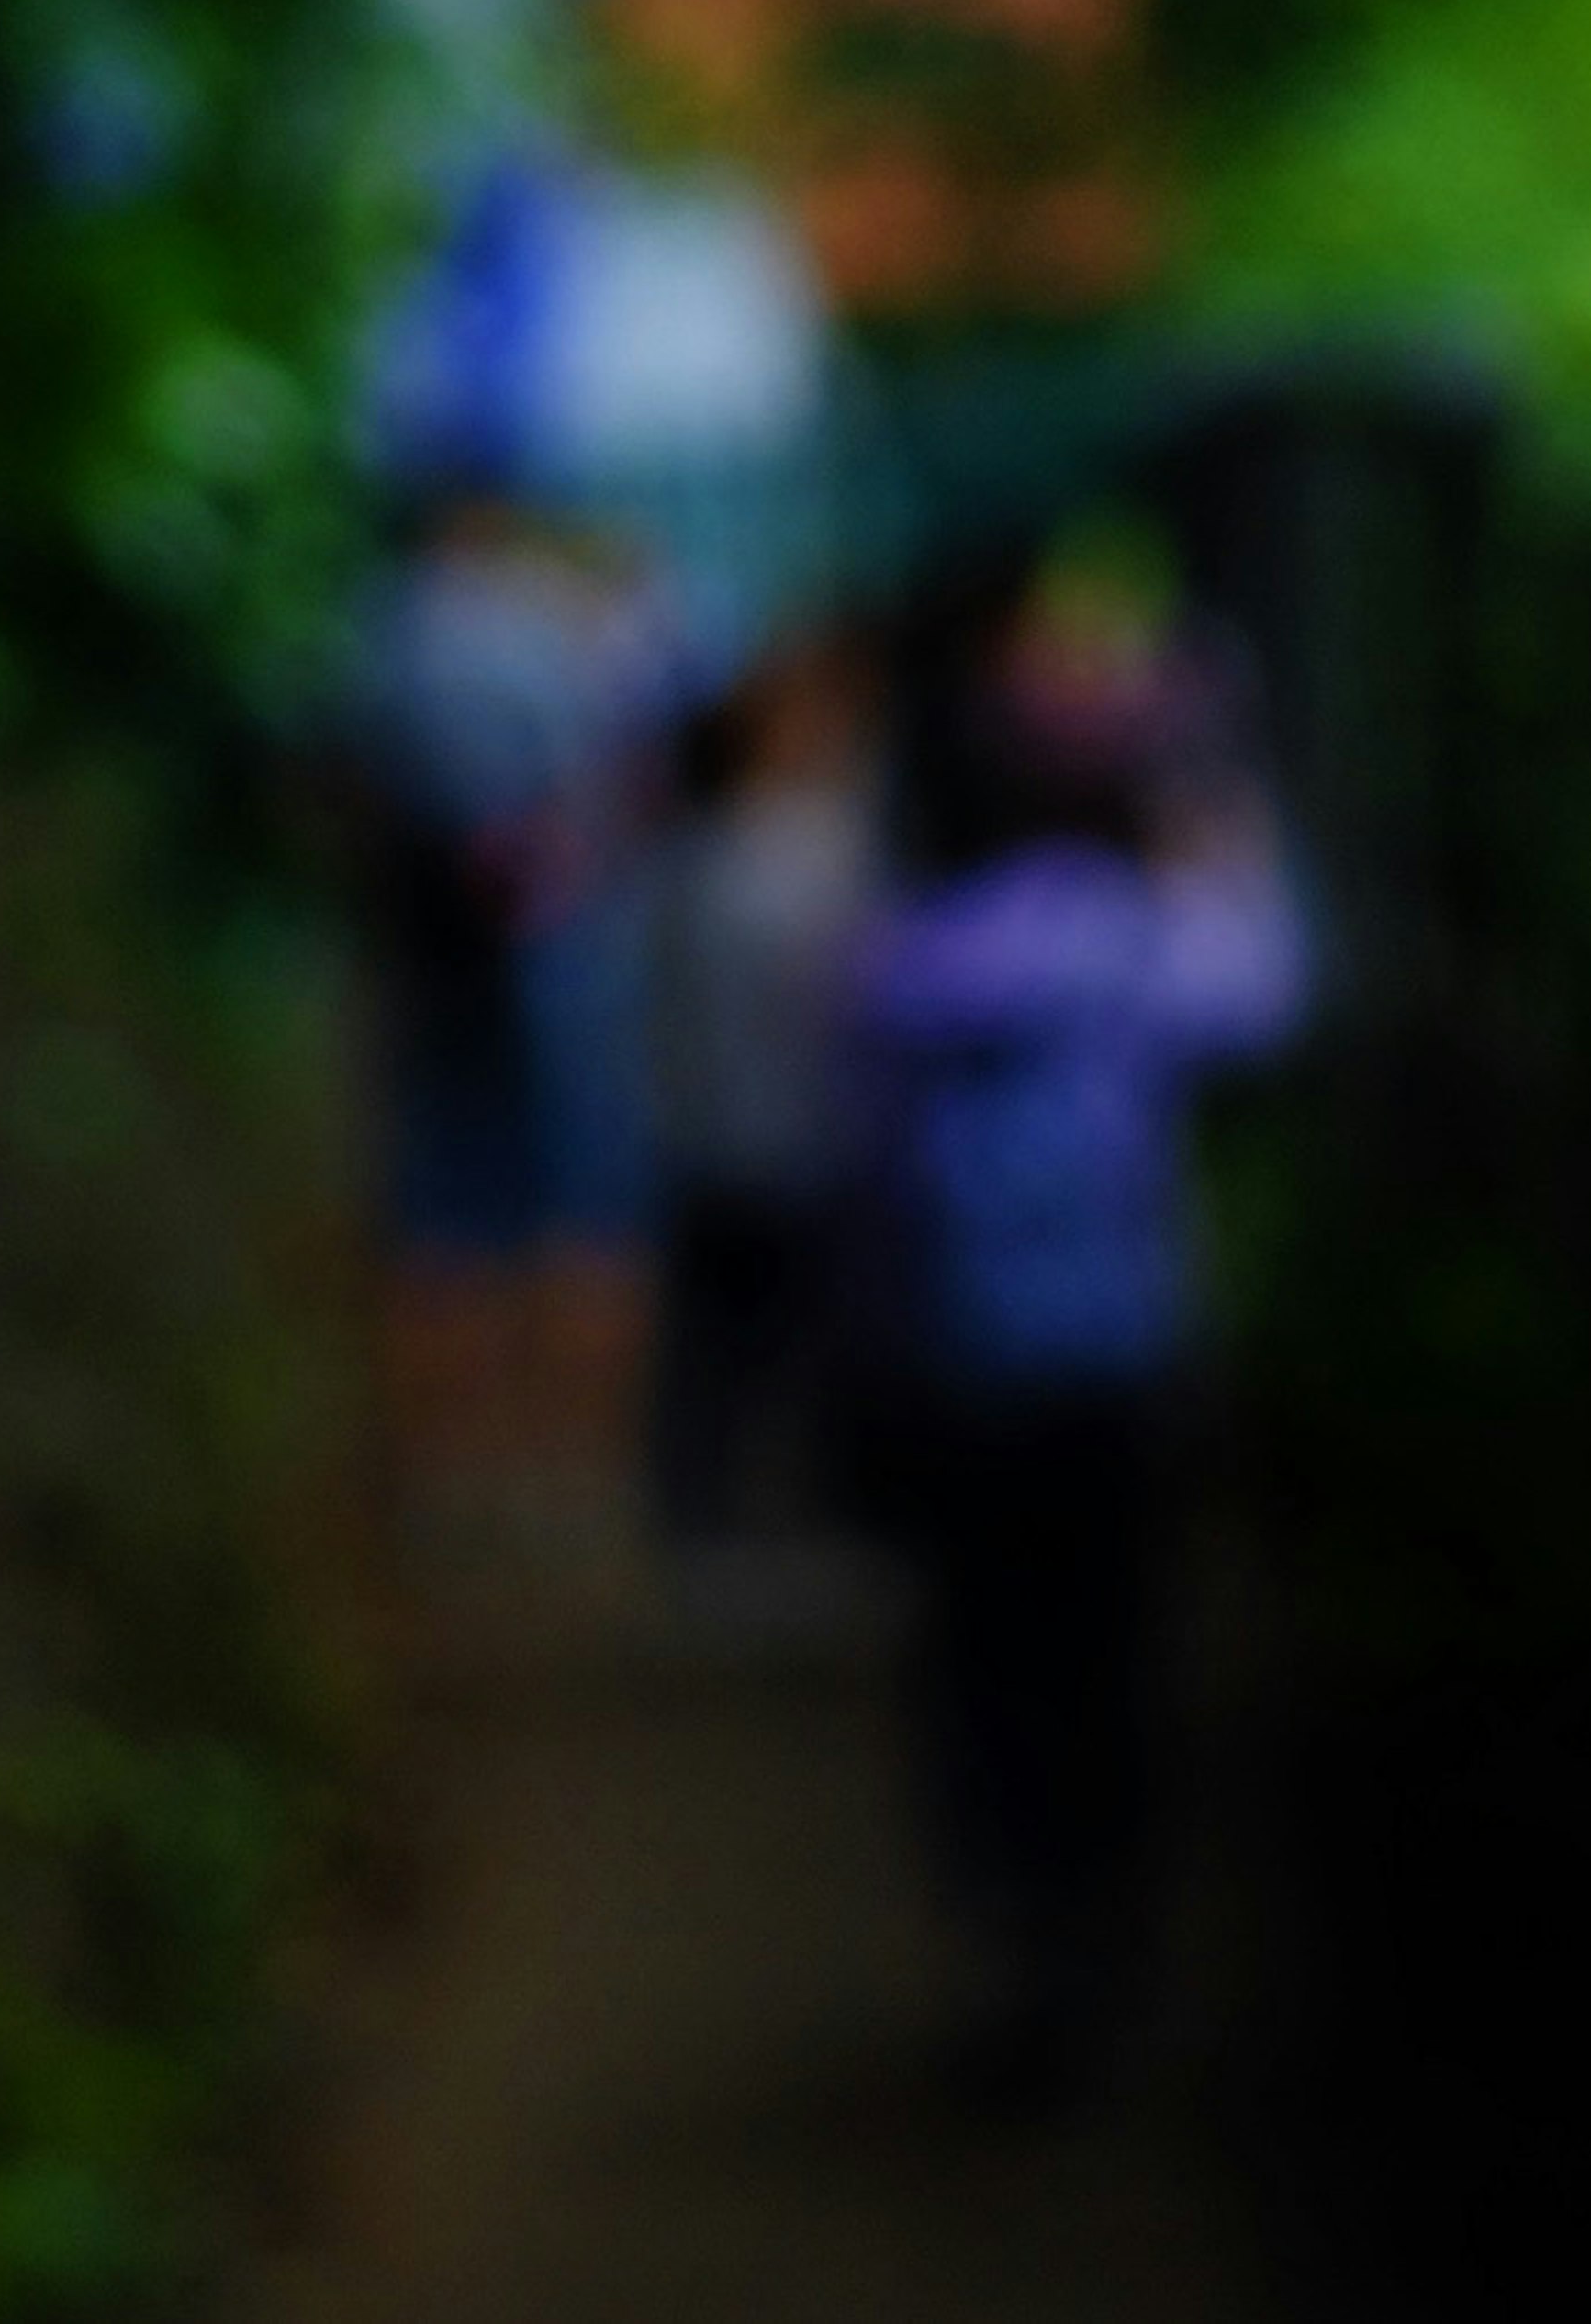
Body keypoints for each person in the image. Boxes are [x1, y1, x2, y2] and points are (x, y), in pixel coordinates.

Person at [845, 542, 1311, 2090]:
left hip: (960, 1375)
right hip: (1113, 1364)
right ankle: (1113, 1953)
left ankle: (1021, 1941)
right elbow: (1266, 994)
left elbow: (859, 1187)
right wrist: (1221, 831)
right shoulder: (1128, 944)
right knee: (1113, 1666)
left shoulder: (896, 973)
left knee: (986, 1669)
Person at [342, 489, 690, 1498]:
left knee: (437, 1192)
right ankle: (573, 1458)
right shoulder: (545, 640)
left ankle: (447, 1462)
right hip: (557, 945)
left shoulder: (381, 634)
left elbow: (339, 780)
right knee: (586, 1192)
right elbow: (611, 787)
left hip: (424, 941)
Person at [641, 627, 880, 1551]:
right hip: (787, 1139)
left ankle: (707, 1509)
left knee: (719, 1342)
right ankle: (773, 1512)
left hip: (718, 1138)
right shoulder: (804, 853)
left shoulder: (693, 858)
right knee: (770, 1338)